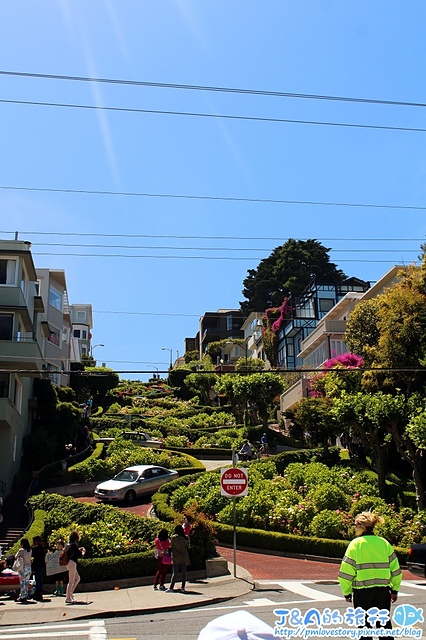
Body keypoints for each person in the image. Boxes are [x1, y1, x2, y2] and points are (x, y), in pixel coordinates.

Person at [338, 511, 402, 639]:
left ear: (362, 527)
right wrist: (394, 590)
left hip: (362, 593)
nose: (354, 528)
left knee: (364, 627)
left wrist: (346, 592)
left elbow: (345, 573)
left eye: (356, 525)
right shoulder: (384, 543)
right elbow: (396, 571)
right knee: (384, 627)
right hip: (383, 592)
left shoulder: (356, 544)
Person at [166, 525, 190, 593]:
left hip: (176, 557)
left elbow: (170, 545)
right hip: (184, 556)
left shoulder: (174, 538)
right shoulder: (185, 538)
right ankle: (183, 587)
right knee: (183, 573)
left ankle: (171, 587)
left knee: (175, 573)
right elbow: (187, 546)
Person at [65, 531, 86, 604]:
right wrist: (83, 551)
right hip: (72, 563)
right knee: (71, 581)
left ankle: (70, 594)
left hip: (68, 563)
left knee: (77, 578)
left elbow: (74, 552)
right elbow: (80, 555)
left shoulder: (69, 545)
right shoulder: (74, 545)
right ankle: (68, 597)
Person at [15, 537, 32, 603]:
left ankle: (22, 596)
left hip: (22, 567)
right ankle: (25, 595)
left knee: (22, 583)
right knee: (26, 582)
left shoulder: (21, 550)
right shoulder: (30, 550)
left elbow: (16, 556)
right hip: (28, 567)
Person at [32, 535, 47, 601]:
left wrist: (33, 567)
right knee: (39, 580)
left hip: (38, 565)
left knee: (38, 580)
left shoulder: (38, 548)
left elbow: (36, 558)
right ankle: (38, 594)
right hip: (41, 565)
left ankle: (38, 594)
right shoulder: (42, 548)